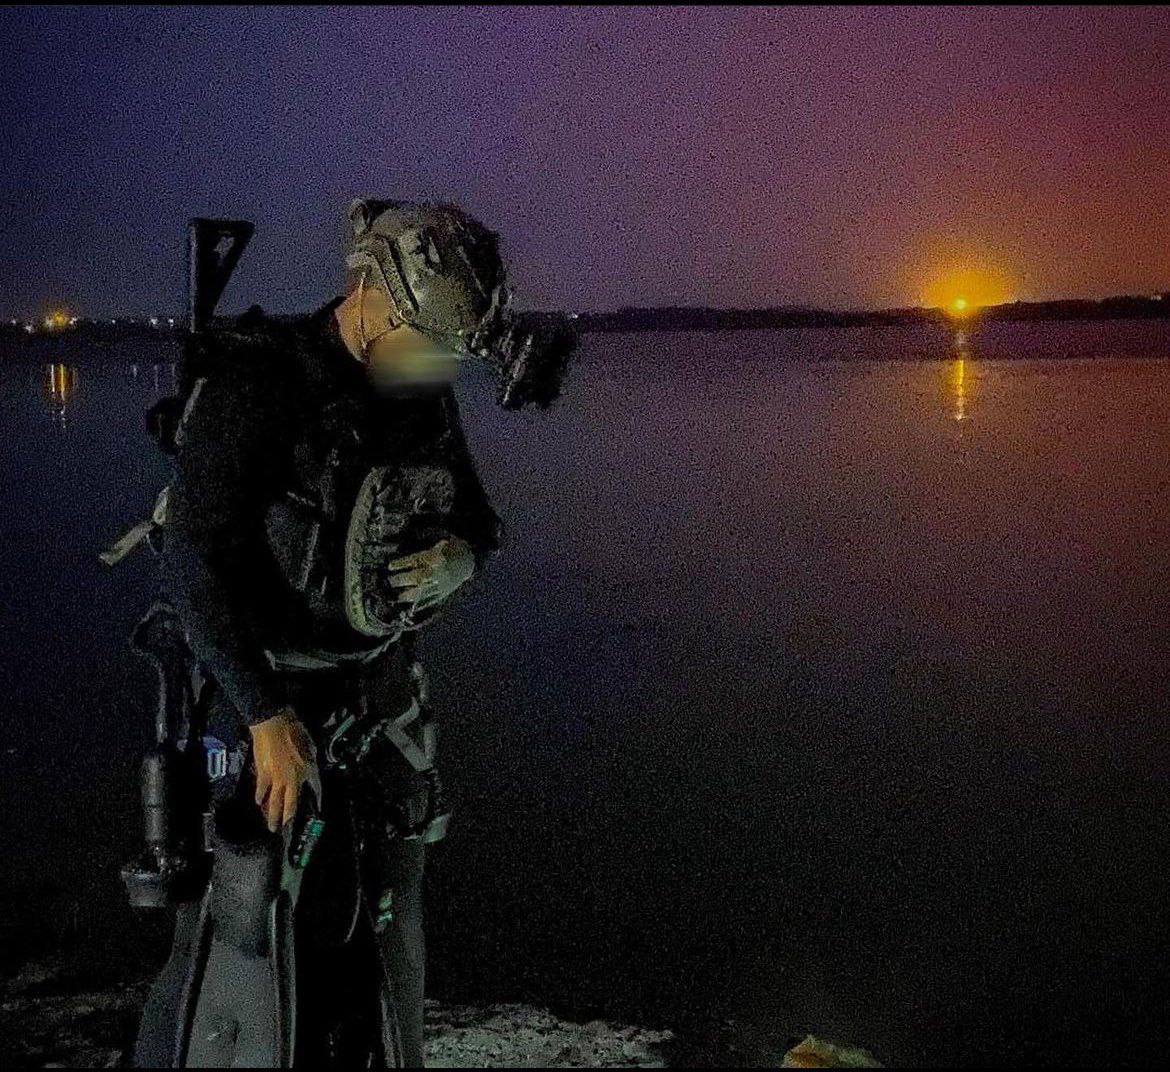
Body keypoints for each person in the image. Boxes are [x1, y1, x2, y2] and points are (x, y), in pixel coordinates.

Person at [129, 198, 541, 1068]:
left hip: (379, 696)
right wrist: (263, 716)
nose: (434, 366)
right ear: (370, 296)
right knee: (244, 927)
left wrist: (462, 556)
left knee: (383, 919)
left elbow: (481, 518)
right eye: (425, 342)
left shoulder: (420, 388)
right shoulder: (257, 386)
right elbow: (194, 567)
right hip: (265, 697)